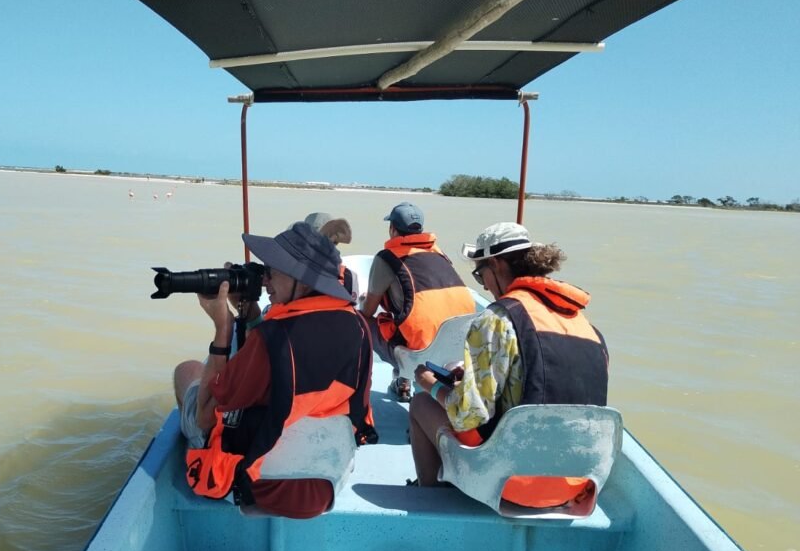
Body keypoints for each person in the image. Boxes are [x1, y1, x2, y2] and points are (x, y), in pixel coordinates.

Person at [172, 222, 378, 519]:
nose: (264, 279)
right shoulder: (358, 326)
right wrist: (254, 317)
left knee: (187, 372)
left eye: (271, 270)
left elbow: (206, 417)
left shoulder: (271, 341)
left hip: (259, 487)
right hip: (326, 485)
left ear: (301, 280)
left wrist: (223, 328)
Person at [408, 222, 609, 508]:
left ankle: (430, 502)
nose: (485, 286)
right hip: (577, 483)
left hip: (513, 482)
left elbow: (470, 415)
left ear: (497, 265)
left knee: (421, 404)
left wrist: (433, 385)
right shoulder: (586, 326)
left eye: (481, 274)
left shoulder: (497, 319)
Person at [360, 202, 476, 401]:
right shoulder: (439, 254)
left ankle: (374, 382)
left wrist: (363, 301)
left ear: (392, 229)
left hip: (420, 353)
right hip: (460, 344)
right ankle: (403, 379)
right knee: (406, 316)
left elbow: (368, 310)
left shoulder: (386, 258)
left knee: (363, 321)